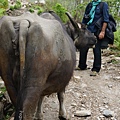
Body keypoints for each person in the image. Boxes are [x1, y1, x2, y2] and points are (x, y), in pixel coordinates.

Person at [76, 0, 110, 76]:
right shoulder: (90, 5)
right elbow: (85, 19)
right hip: (88, 30)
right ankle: (82, 65)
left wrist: (103, 31)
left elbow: (106, 19)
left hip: (97, 31)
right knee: (83, 48)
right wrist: (81, 29)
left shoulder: (103, 5)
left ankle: (96, 69)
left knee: (96, 50)